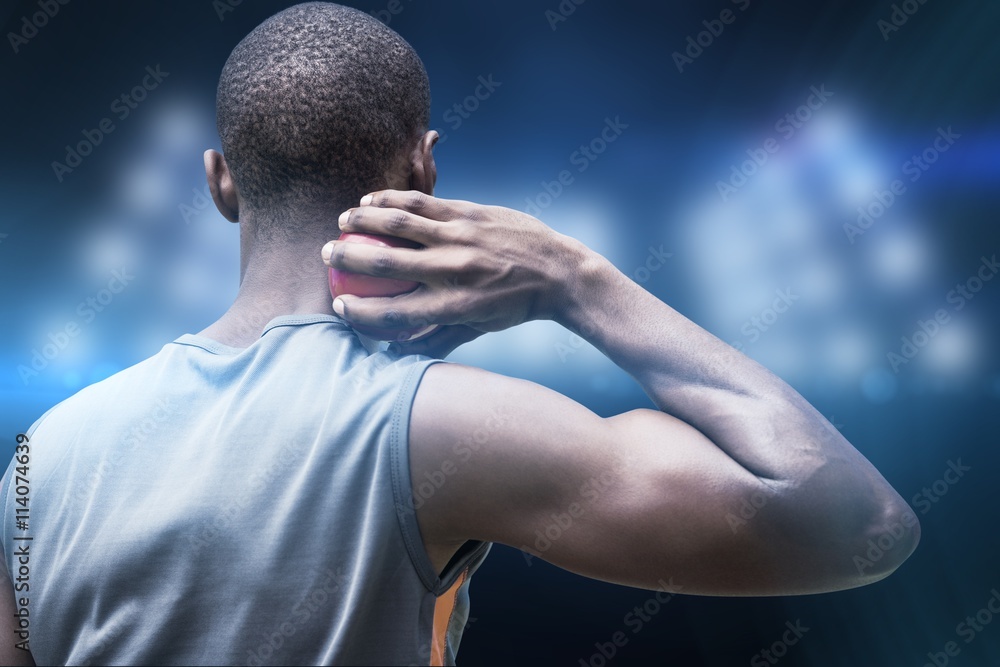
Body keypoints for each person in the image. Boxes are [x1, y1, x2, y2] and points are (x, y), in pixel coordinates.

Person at [0, 2, 920, 665]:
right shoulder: (437, 426)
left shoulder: (42, 458)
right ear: (425, 167)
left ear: (220, 180)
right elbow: (858, 525)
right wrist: (577, 280)